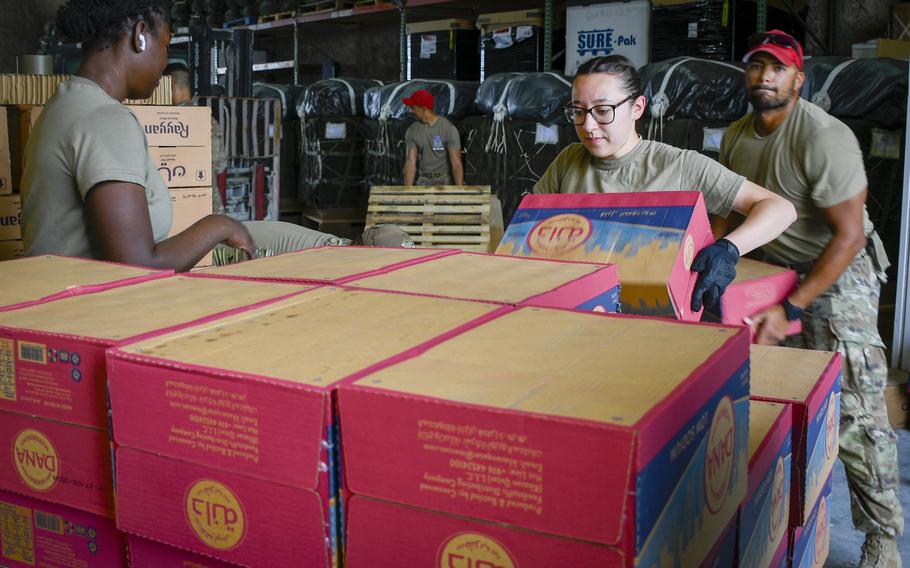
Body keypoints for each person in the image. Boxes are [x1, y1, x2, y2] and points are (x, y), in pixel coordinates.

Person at [719, 30, 902, 567]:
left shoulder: (824, 136)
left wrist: (792, 307)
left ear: (799, 78)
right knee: (772, 395)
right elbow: (730, 215)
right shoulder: (735, 135)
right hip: (771, 269)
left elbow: (849, 236)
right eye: (756, 66)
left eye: (777, 67)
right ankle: (786, 517)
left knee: (852, 410)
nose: (764, 77)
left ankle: (881, 538)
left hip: (839, 274)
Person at [534, 55, 797, 312]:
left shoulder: (679, 166)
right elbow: (529, 231)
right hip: (580, 310)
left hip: (655, 318)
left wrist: (728, 249)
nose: (588, 126)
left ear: (637, 107)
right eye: (578, 111)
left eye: (603, 111)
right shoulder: (567, 161)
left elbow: (780, 208)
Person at [21, 0, 254, 272]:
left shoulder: (62, 105)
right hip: (91, 308)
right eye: (166, 44)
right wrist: (219, 225)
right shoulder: (106, 121)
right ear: (140, 35)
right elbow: (137, 266)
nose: (165, 62)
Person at [163, 63, 414, 261]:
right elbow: (219, 166)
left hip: (181, 215)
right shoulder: (200, 118)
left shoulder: (165, 120)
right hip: (207, 212)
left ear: (170, 86)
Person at [403, 89, 464, 186]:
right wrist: (407, 192)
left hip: (445, 179)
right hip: (424, 179)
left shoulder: (448, 129)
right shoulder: (412, 130)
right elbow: (410, 162)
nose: (411, 110)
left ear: (423, 109)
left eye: (413, 107)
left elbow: (456, 163)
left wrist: (459, 191)